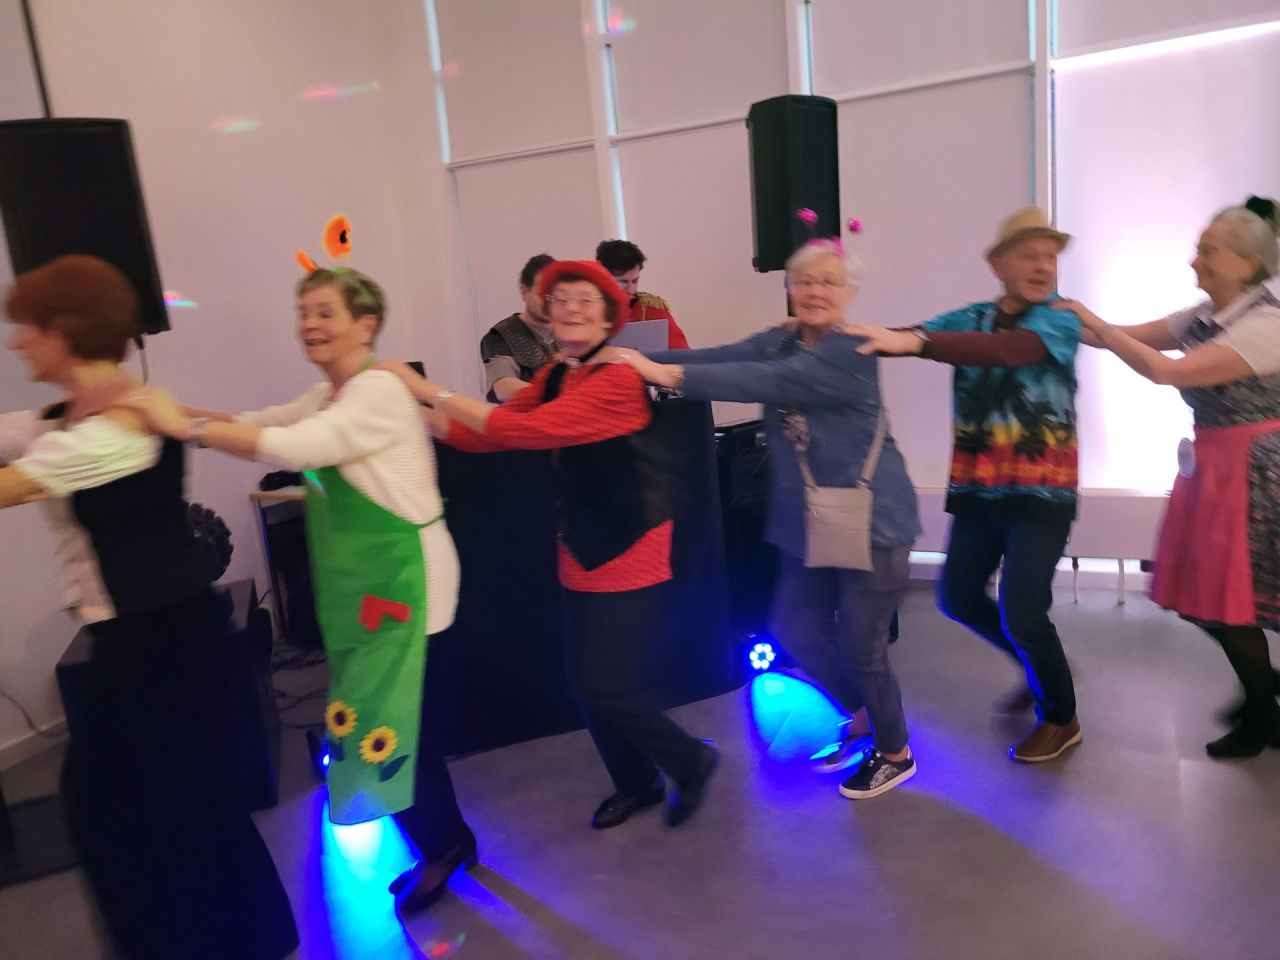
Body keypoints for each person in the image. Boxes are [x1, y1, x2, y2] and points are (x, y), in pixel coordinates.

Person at [123, 267, 475, 914]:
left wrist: (183, 428)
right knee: (395, 723)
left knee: (393, 726)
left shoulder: (377, 393)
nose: (309, 325)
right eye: (304, 312)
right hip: (371, 585)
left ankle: (444, 847)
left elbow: (295, 445)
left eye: (324, 312)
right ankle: (449, 840)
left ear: (366, 325)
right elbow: (253, 423)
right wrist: (164, 412)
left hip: (409, 582)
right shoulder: (326, 393)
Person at [0, 255, 298, 959]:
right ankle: (239, 939)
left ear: (66, 330)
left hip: (165, 645)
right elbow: (19, 433)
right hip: (139, 642)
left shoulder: (119, 432)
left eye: (30, 327)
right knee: (147, 809)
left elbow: (18, 483)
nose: (18, 342)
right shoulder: (69, 415)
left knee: (138, 810)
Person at [379, 259, 718, 829]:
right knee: (584, 683)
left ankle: (690, 760)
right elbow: (491, 432)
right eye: (561, 300)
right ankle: (638, 782)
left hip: (630, 542)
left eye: (586, 300)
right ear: (546, 311)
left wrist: (424, 389)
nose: (571, 309)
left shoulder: (615, 380)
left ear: (609, 316)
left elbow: (518, 431)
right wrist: (414, 412)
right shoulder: (560, 373)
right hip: (582, 542)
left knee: (605, 685)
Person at [609, 239, 922, 799]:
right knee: (796, 630)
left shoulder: (852, 352)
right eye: (805, 281)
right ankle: (863, 715)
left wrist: (659, 373)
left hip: (873, 518)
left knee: (862, 643)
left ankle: (895, 752)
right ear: (790, 288)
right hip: (808, 520)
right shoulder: (782, 340)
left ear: (849, 292)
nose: (816, 291)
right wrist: (635, 362)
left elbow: (759, 382)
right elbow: (723, 359)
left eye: (829, 282)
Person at [848, 207, 1084, 763]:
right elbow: (910, 336)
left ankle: (1062, 717)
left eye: (1050, 257)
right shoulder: (972, 316)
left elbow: (1008, 351)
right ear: (998, 264)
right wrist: (826, 333)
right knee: (957, 597)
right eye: (1029, 255)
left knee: (1023, 610)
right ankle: (1037, 664)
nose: (1043, 266)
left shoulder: (1060, 318)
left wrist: (919, 343)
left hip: (1042, 492)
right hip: (980, 489)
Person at [1059, 196, 1280, 758]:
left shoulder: (1267, 323)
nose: (1194, 260)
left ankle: (1263, 711)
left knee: (1233, 602)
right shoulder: (1208, 315)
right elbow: (1121, 336)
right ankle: (1266, 695)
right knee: (1208, 597)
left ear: (1249, 263)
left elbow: (1165, 371)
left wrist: (1090, 321)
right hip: (1216, 466)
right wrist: (1059, 318)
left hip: (1255, 471)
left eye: (1209, 251)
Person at [480, 253, 558, 402]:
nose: (550, 301)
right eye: (543, 293)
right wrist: (558, 394)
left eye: (556, 295)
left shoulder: (571, 330)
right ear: (524, 291)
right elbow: (503, 387)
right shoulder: (501, 336)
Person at [596, 239, 690, 349]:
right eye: (623, 282)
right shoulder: (589, 310)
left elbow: (681, 353)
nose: (631, 290)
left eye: (635, 281)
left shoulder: (653, 309)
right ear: (603, 277)